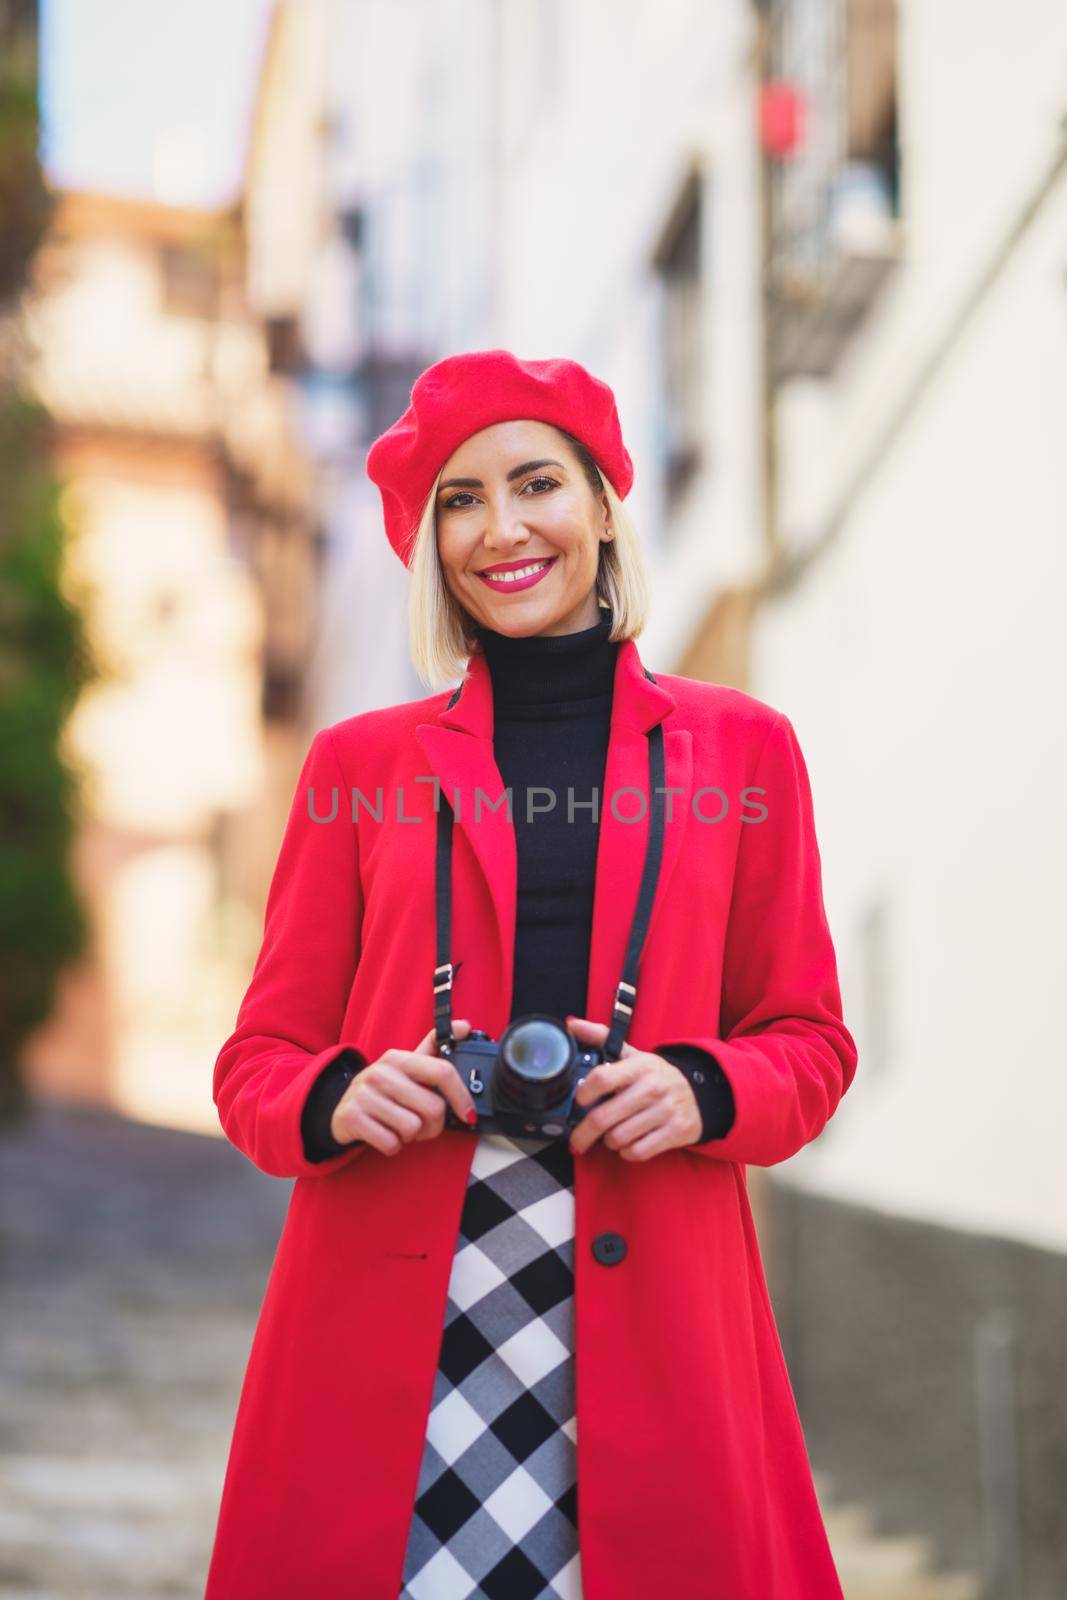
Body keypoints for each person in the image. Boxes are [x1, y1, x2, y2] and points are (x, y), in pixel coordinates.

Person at [205, 349, 859, 1600]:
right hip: (394, 1315)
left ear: (604, 506)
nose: (500, 528)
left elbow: (808, 1041)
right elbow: (256, 1063)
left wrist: (700, 1088)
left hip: (656, 1308)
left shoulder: (743, 749)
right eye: (458, 499)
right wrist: (338, 1093)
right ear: (427, 543)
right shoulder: (357, 766)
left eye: (535, 483)